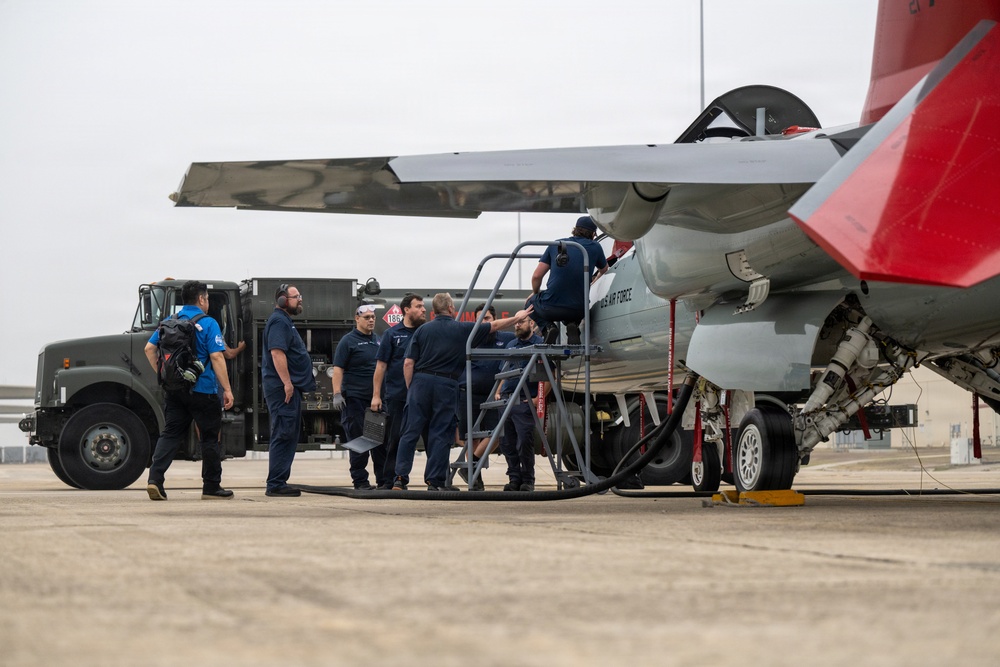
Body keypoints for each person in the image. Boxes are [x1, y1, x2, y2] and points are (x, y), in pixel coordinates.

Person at [391, 293, 532, 491]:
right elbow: (494, 326)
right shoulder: (462, 328)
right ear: (451, 308)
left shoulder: (422, 330)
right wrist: (518, 318)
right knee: (441, 433)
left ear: (434, 310)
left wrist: (411, 388)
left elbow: (408, 363)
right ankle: (435, 482)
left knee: (410, 431)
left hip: (420, 383)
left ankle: (399, 478)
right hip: (446, 384)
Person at [143, 280, 235, 501]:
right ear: (202, 299)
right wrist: (227, 389)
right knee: (209, 438)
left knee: (170, 434)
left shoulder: (168, 322)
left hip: (175, 390)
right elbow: (216, 356)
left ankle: (155, 480)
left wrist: (166, 375)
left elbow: (149, 349)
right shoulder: (209, 322)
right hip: (203, 390)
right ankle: (211, 487)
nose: (207, 302)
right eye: (207, 299)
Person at [261, 284, 316, 497]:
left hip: (286, 388)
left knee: (288, 433)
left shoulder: (284, 321)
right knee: (283, 433)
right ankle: (275, 484)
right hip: (282, 389)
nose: (300, 299)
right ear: (283, 300)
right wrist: (287, 383)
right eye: (296, 296)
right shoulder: (279, 321)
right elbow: (277, 352)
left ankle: (279, 481)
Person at [455, 304, 515, 490]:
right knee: (470, 437)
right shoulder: (469, 338)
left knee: (497, 432)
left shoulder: (506, 338)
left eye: (487, 318)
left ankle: (471, 465)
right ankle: (475, 479)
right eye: (479, 319)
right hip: (468, 394)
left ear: (494, 319)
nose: (483, 323)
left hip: (494, 396)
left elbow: (525, 339)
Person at [371, 293, 427, 489]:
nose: (423, 309)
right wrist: (376, 395)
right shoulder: (392, 334)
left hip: (423, 396)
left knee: (430, 438)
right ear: (406, 310)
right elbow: (381, 367)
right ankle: (391, 480)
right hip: (397, 395)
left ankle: (437, 480)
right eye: (418, 306)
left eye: (423, 306)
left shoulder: (425, 333)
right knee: (395, 438)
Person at [528, 215, 609, 344]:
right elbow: (604, 270)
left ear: (575, 229)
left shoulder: (556, 244)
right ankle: (573, 326)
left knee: (530, 303)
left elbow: (536, 276)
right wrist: (594, 280)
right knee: (573, 305)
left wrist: (535, 293)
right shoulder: (596, 247)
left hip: (550, 308)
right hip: (579, 310)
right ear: (593, 233)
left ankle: (548, 328)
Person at [332, 303, 385, 490]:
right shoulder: (348, 341)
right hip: (355, 399)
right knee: (359, 441)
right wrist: (337, 393)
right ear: (357, 319)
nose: (371, 320)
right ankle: (360, 481)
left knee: (378, 442)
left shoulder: (378, 340)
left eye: (373, 317)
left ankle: (383, 481)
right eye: (367, 317)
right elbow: (338, 369)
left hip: (375, 400)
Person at [498, 317, 547, 491]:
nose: (517, 325)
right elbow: (503, 372)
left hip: (524, 400)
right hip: (506, 399)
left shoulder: (540, 344)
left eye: (521, 322)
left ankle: (527, 480)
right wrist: (498, 392)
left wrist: (538, 398)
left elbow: (549, 376)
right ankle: (514, 479)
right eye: (516, 322)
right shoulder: (510, 345)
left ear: (532, 324)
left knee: (524, 441)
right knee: (506, 442)